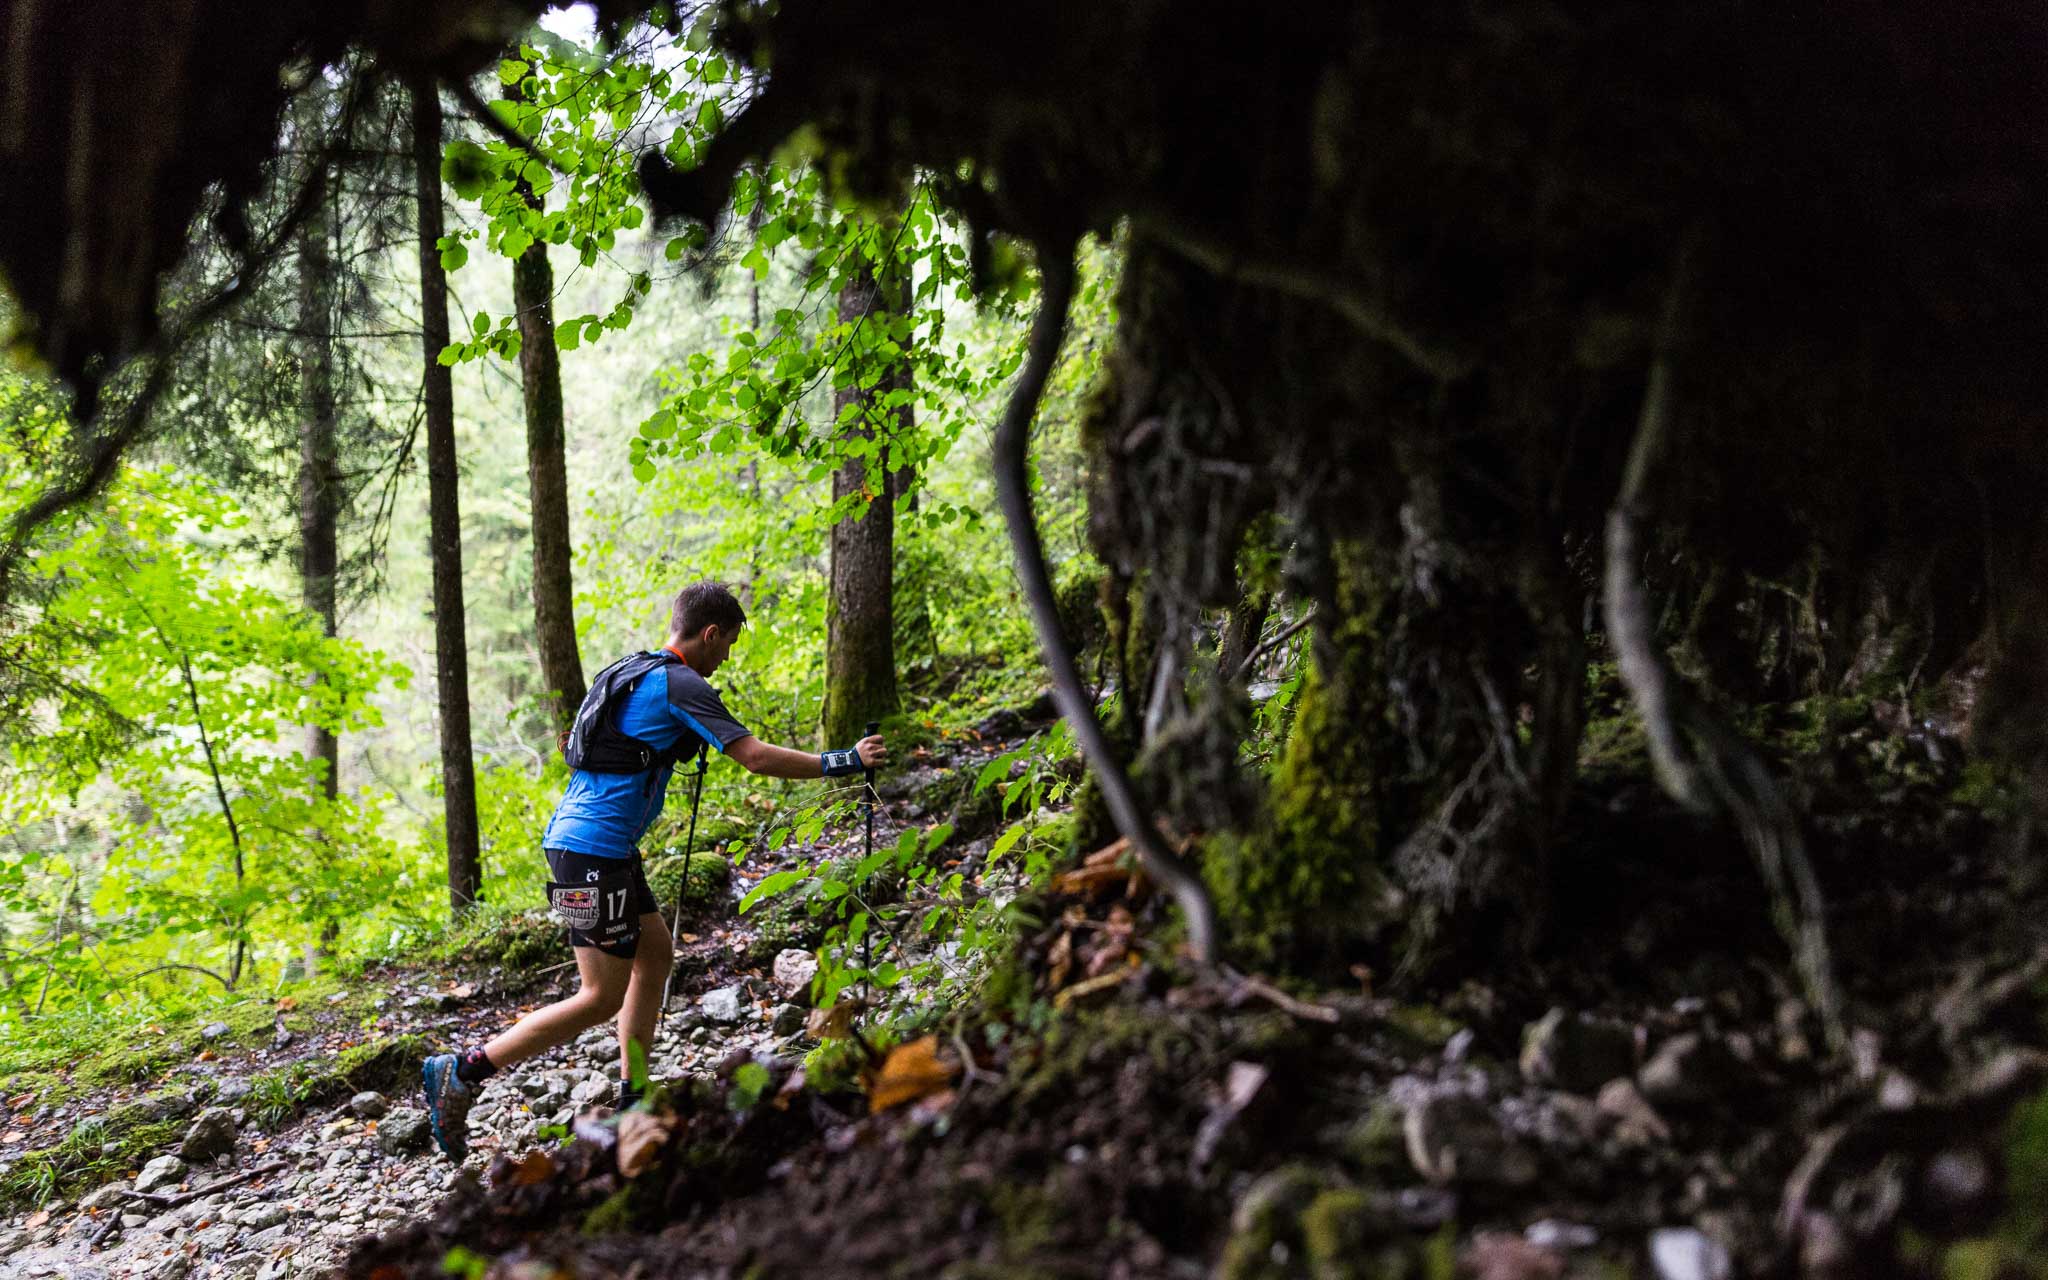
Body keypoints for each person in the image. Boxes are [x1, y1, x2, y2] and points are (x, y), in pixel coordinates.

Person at [420, 581, 886, 1161]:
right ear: (710, 633)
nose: (726, 660)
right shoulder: (680, 682)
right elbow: (755, 756)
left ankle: (634, 1092)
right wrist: (843, 761)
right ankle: (462, 1072)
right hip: (591, 852)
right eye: (728, 645)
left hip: (599, 848)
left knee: (656, 955)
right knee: (598, 995)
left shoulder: (635, 672)